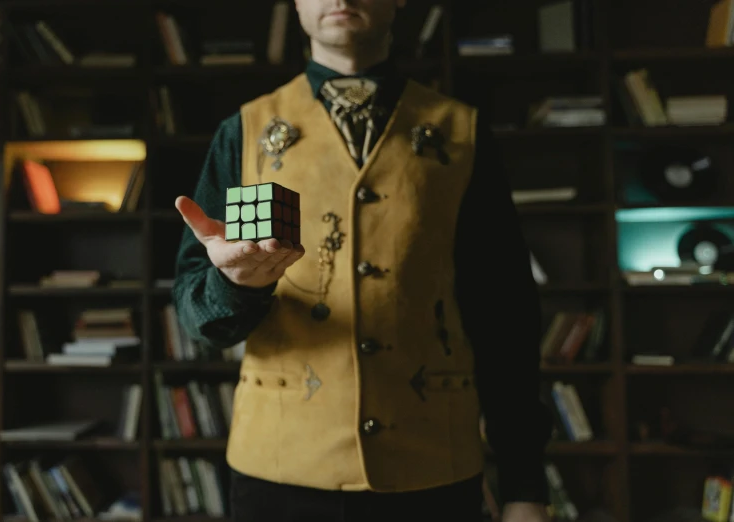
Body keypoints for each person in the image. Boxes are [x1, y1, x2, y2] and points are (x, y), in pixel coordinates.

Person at [172, 1, 553, 521]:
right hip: (280, 471)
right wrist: (235, 286)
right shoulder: (243, 132)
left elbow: (505, 312)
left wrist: (524, 484)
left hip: (432, 467)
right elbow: (200, 316)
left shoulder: (461, 133)